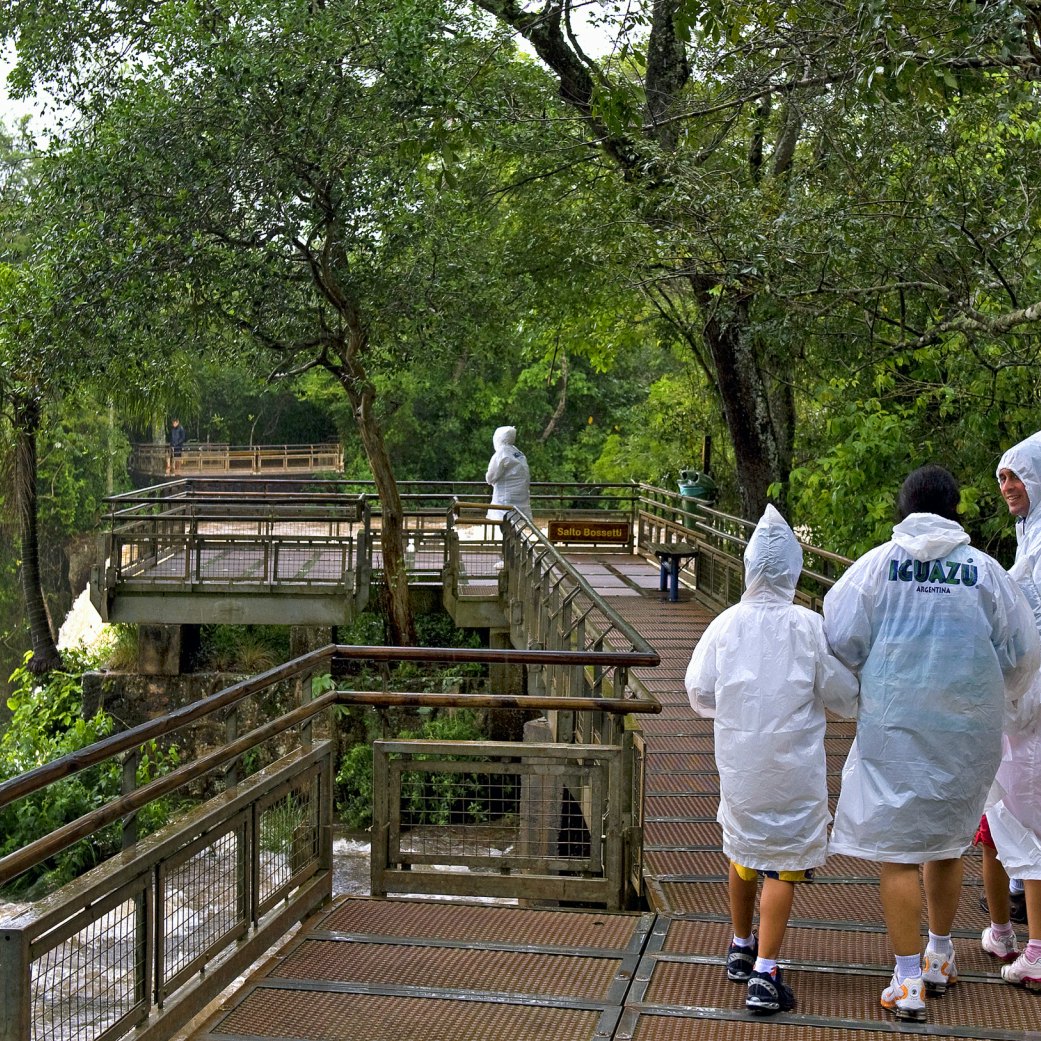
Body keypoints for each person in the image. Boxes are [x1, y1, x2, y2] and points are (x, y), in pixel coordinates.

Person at [823, 464, 1040, 1023]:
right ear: (954, 509)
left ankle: (906, 978)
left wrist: (857, 697)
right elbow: (1021, 651)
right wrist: (997, 700)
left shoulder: (875, 568)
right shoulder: (985, 572)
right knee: (947, 843)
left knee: (898, 852)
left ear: (904, 507)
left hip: (894, 729)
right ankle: (940, 953)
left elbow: (840, 640)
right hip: (966, 734)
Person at [685, 504, 859, 1015]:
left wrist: (732, 710)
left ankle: (740, 946)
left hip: (740, 762)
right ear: (795, 569)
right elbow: (843, 695)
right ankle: (765, 972)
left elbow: (698, 688)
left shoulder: (725, 624)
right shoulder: (808, 627)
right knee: (783, 865)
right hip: (793, 768)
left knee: (742, 854)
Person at [984, 432, 1041, 990]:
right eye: (1002, 478)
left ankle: (1035, 949)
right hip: (1023, 697)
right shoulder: (1029, 538)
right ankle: (1006, 930)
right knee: (1009, 812)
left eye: (1016, 477)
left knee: (1024, 817)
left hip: (1032, 700)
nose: (1007, 487)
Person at [485, 426, 531, 521]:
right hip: (521, 500)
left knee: (504, 526)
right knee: (517, 528)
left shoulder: (501, 453)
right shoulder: (517, 452)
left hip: (505, 500)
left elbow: (490, 477)